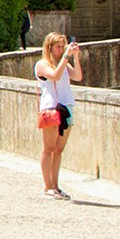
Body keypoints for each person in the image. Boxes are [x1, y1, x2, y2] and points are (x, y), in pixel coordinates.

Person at [34, 33, 83, 200]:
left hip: (66, 107)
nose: (61, 50)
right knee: (48, 148)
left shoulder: (63, 62)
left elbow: (77, 76)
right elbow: (54, 75)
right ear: (49, 47)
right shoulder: (42, 64)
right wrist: (66, 57)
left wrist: (74, 57)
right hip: (51, 108)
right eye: (58, 47)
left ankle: (56, 185)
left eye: (63, 46)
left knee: (59, 149)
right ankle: (47, 186)